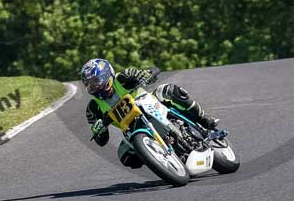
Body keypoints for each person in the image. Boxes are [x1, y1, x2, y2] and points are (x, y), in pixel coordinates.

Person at [80, 58, 219, 168]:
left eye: (96, 81)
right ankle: (159, 159)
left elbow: (153, 71)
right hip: (130, 129)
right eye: (89, 85)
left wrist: (146, 74)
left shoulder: (122, 78)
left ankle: (203, 119)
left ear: (106, 76)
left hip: (150, 104)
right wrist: (99, 130)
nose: (93, 87)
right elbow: (101, 142)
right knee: (125, 156)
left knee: (169, 90)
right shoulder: (93, 108)